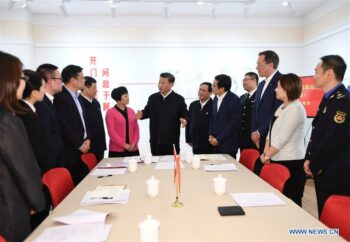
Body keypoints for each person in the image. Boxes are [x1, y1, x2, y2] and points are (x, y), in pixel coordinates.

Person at [0, 51, 45, 242]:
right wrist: (37, 202)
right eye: (21, 77)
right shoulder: (7, 120)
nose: (24, 82)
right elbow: (24, 168)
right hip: (12, 211)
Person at [304, 55, 350, 216]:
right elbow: (318, 133)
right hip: (324, 169)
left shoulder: (342, 101)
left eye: (316, 71)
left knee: (334, 220)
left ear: (329, 73)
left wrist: (314, 165)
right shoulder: (329, 97)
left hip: (334, 173)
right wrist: (309, 158)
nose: (314, 76)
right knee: (324, 215)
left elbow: (332, 140)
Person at [259, 73, 307, 206]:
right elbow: (270, 133)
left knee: (291, 201)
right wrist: (266, 154)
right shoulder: (282, 107)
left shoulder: (296, 109)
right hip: (276, 159)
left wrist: (266, 155)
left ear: (288, 89)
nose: (275, 89)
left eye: (278, 87)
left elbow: (282, 138)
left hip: (291, 162)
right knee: (277, 200)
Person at [135, 72, 188, 155]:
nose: (160, 85)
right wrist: (142, 114)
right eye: (159, 82)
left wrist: (184, 119)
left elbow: (184, 113)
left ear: (171, 84)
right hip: (155, 140)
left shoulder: (178, 99)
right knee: (155, 164)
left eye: (163, 83)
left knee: (171, 165)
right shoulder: (153, 98)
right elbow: (147, 111)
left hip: (171, 141)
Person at [54, 65, 90, 185]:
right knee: (74, 187)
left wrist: (87, 138)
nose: (84, 80)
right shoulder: (60, 97)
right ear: (73, 80)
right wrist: (79, 144)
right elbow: (64, 125)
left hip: (83, 146)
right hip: (70, 150)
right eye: (82, 78)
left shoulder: (78, 98)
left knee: (83, 184)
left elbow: (84, 121)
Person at [252, 50, 283, 174]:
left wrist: (260, 131)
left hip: (271, 138)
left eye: (260, 64)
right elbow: (255, 110)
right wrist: (254, 131)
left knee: (269, 175)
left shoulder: (282, 82)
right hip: (258, 137)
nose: (256, 67)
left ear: (270, 65)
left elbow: (277, 112)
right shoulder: (261, 84)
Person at [35, 63, 64, 167]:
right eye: (60, 79)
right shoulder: (41, 104)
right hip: (49, 162)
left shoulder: (49, 101)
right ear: (51, 81)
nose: (62, 82)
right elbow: (46, 138)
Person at [209, 74, 241, 158]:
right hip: (215, 143)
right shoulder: (215, 98)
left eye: (214, 86)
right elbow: (213, 118)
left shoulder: (234, 100)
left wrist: (218, 139)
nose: (212, 87)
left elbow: (232, 124)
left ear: (222, 88)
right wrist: (211, 134)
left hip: (228, 144)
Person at [106, 86, 140, 157]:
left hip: (133, 148)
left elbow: (136, 129)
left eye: (128, 95)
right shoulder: (110, 112)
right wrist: (125, 145)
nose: (128, 97)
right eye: (125, 96)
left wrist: (133, 144)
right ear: (118, 99)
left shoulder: (131, 111)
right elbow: (111, 133)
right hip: (117, 150)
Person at [79, 76, 106, 161]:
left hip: (100, 145)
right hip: (88, 145)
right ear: (85, 88)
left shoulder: (96, 102)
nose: (96, 90)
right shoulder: (79, 102)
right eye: (94, 88)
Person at [186, 82, 214, 154]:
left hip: (209, 144)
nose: (200, 92)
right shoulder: (193, 105)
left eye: (204, 90)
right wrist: (188, 139)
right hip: (195, 143)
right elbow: (189, 122)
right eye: (200, 90)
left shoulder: (214, 105)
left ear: (210, 93)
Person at [239, 72, 258, 151]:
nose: (243, 82)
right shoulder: (242, 97)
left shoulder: (259, 96)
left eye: (245, 80)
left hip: (254, 138)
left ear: (254, 81)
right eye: (243, 80)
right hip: (243, 139)